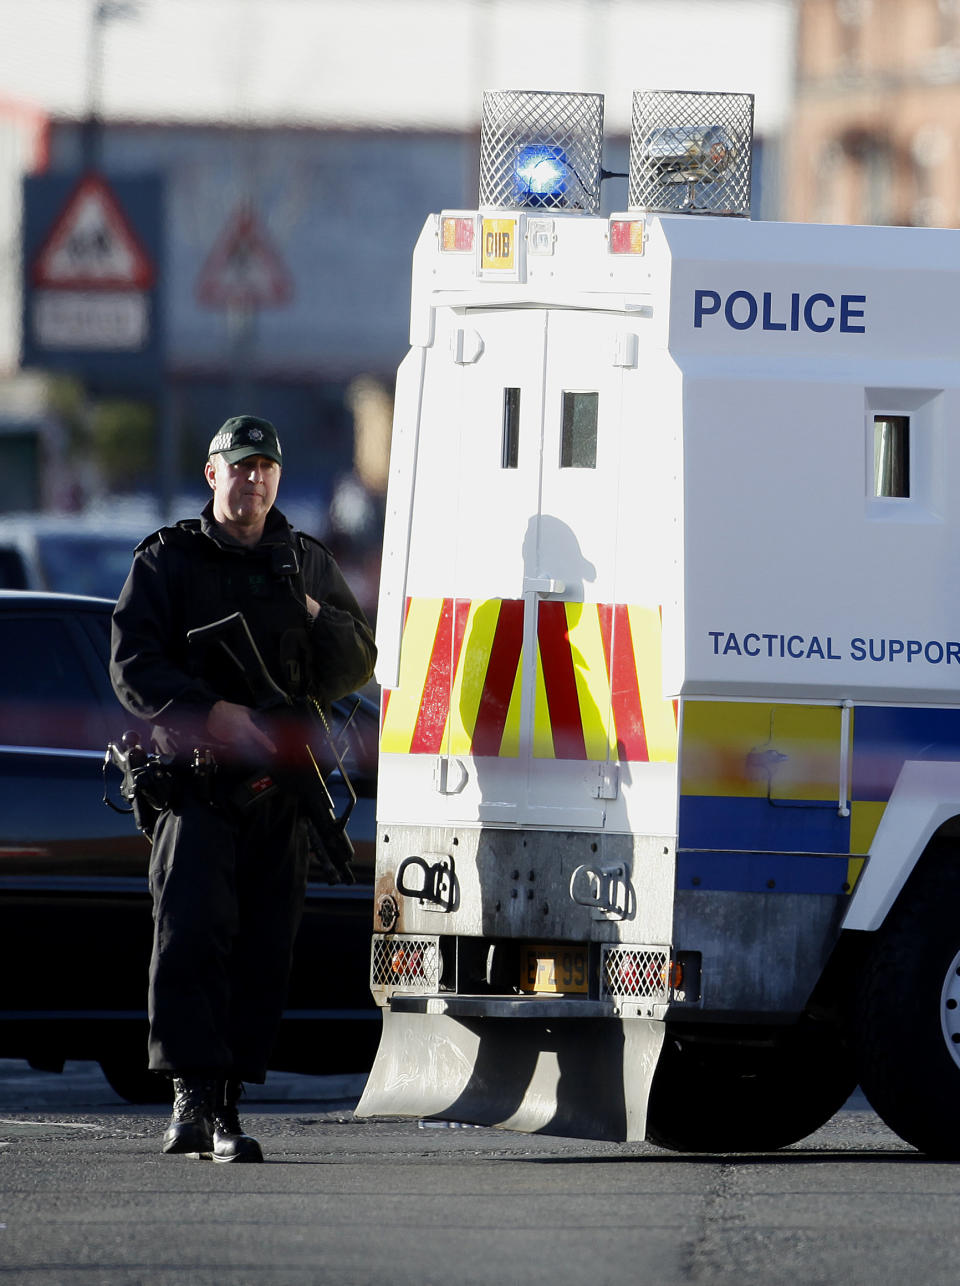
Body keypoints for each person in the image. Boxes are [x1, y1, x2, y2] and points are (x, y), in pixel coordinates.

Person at [110, 415, 376, 1163]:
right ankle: (190, 1099)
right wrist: (211, 713)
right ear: (212, 474)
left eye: (265, 468)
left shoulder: (306, 563)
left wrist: (319, 616)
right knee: (191, 939)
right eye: (240, 466)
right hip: (197, 788)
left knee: (263, 950)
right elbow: (132, 665)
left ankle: (228, 1106)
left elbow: (355, 662)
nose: (252, 479)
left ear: (278, 480)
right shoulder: (169, 560)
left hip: (278, 798)